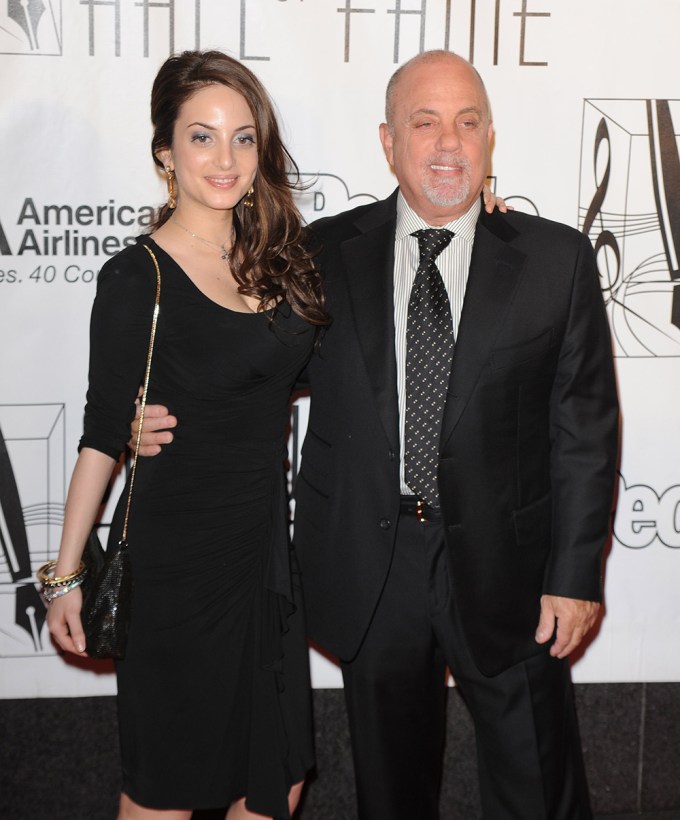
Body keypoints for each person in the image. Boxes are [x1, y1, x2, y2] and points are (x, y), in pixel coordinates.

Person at [135, 50, 618, 819]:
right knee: (390, 795)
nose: (448, 144)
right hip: (372, 564)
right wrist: (150, 409)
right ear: (388, 142)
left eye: (466, 123)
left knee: (539, 786)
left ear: (491, 138)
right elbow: (247, 367)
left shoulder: (554, 260)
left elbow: (585, 429)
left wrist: (575, 574)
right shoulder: (322, 254)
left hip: (513, 569)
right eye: (424, 124)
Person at [45, 50, 329, 820]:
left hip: (264, 562)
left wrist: (474, 211)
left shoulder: (283, 259)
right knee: (166, 792)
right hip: (179, 572)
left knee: (278, 780)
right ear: (165, 152)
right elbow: (105, 432)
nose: (225, 158)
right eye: (201, 137)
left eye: (243, 137)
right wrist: (67, 574)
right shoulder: (139, 277)